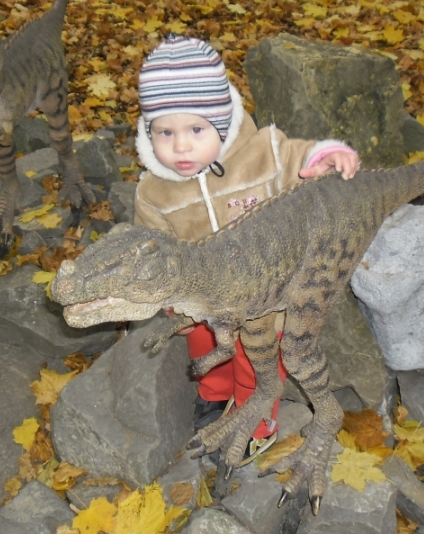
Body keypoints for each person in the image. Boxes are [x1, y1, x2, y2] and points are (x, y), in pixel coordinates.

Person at [133, 34, 360, 466]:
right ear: (149, 131)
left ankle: (258, 424)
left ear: (221, 123)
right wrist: (165, 292)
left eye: (196, 129)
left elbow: (298, 157)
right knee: (203, 342)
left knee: (257, 360)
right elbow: (153, 243)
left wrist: (326, 156)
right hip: (205, 295)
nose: (180, 146)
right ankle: (214, 394)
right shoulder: (153, 191)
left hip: (266, 295)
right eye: (165, 132)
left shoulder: (263, 154)